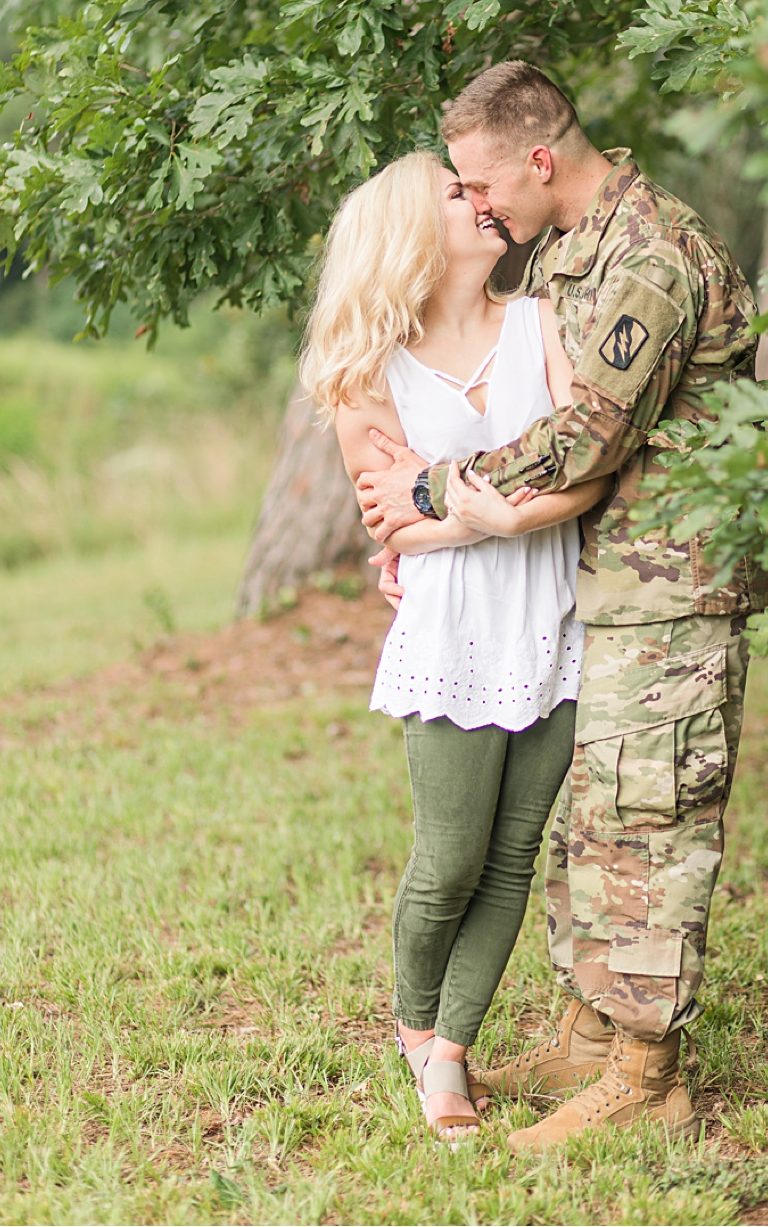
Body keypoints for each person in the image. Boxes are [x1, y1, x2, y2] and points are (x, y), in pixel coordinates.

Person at [354, 62, 768, 1153]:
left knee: (649, 819)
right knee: (593, 827)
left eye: (483, 183)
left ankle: (646, 1077)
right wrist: (427, 534)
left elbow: (589, 433)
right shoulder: (573, 252)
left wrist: (432, 490)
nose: (476, 205)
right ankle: (594, 1034)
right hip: (603, 580)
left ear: (540, 160)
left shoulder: (647, 256)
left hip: (672, 581)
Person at [302, 150, 607, 1143]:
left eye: (478, 188)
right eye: (455, 194)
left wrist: (479, 512)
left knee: (514, 852)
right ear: (408, 233)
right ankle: (413, 1021)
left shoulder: (541, 324)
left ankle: (450, 1058)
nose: (481, 203)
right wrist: (491, 514)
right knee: (447, 859)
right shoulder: (366, 374)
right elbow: (391, 522)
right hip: (451, 632)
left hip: (554, 620)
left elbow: (587, 470)